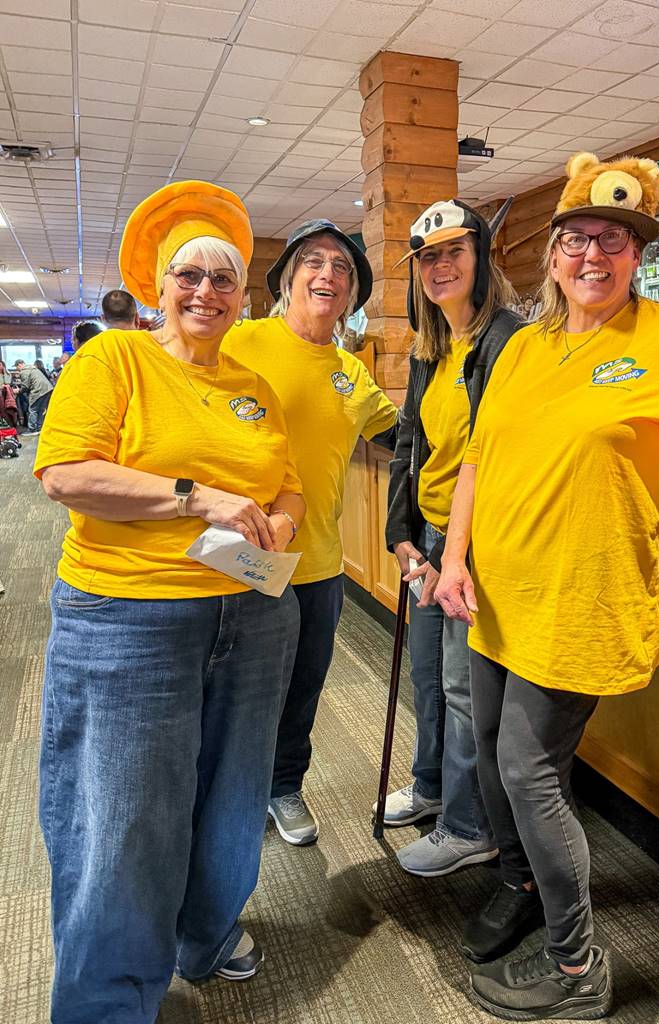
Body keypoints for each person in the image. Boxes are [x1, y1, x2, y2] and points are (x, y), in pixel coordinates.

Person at [435, 152, 659, 1021]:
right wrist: (454, 558)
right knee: (492, 753)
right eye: (577, 239)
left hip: (583, 596)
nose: (593, 255)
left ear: (639, 254)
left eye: (615, 239)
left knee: (528, 770)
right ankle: (521, 884)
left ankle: (577, 969)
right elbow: (476, 461)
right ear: (553, 254)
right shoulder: (524, 346)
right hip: (497, 591)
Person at [34, 179, 305, 1023]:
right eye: (189, 275)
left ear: (242, 295)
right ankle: (107, 1003)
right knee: (123, 816)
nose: (206, 292)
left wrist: (281, 520)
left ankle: (205, 936)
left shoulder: (253, 384)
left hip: (252, 610)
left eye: (224, 279)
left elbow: (288, 482)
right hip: (129, 618)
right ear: (159, 285)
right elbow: (65, 473)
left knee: (233, 795)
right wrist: (196, 497)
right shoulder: (114, 360)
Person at [223, 219, 398, 845]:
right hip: (239, 556)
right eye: (315, 262)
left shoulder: (351, 371)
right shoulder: (239, 341)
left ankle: (283, 786)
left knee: (302, 687)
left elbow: (401, 435)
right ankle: (228, 796)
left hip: (319, 561)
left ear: (352, 295)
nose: (329, 274)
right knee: (237, 687)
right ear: (287, 280)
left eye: (342, 268)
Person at [380, 200, 526, 877]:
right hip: (433, 535)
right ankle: (433, 786)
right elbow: (412, 443)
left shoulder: (507, 339)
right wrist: (401, 533)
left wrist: (456, 554)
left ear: (481, 257)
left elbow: (498, 456)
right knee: (429, 677)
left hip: (479, 545)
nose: (440, 267)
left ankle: (472, 826)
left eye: (454, 252)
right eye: (428, 257)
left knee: (465, 688)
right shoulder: (431, 344)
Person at [15, 358, 53, 433]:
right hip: (48, 389)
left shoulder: (24, 371)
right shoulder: (33, 368)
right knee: (41, 410)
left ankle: (32, 429)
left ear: (19, 364)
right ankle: (39, 427)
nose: (17, 369)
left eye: (16, 367)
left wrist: (18, 390)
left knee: (33, 409)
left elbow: (25, 386)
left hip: (38, 390)